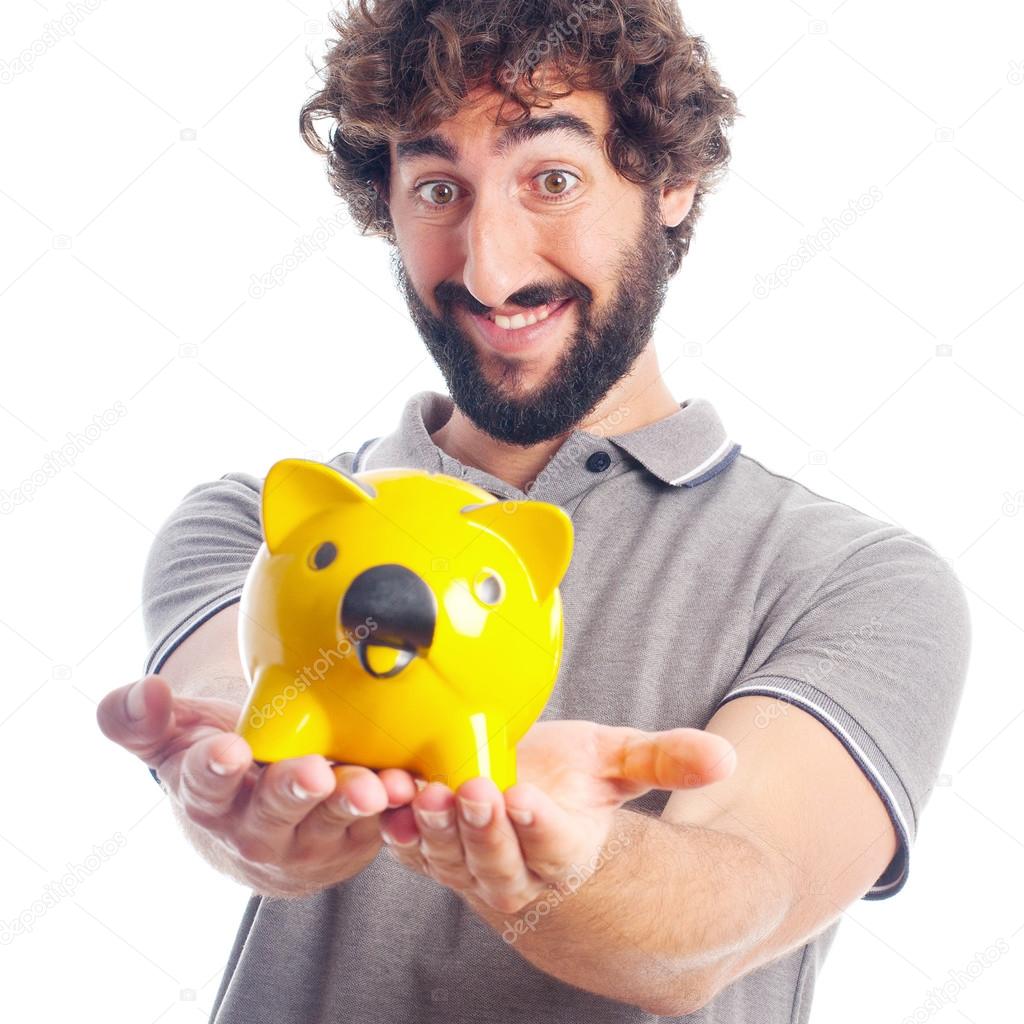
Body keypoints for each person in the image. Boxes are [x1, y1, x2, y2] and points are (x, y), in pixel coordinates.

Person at [96, 1, 972, 1021]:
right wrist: (249, 804)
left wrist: (564, 865)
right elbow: (235, 732)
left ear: (672, 180)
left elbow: (737, 904)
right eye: (436, 189)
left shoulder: (854, 580)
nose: (489, 268)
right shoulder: (259, 529)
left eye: (551, 180)